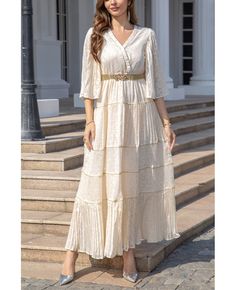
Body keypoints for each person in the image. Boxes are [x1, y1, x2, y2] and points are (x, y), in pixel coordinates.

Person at [59, 0, 180, 286]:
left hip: (140, 120)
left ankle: (128, 253)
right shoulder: (95, 35)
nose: (112, 1)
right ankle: (71, 253)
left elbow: (156, 84)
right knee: (91, 185)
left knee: (131, 186)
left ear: (130, 2)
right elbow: (88, 85)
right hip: (107, 117)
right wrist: (89, 122)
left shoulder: (146, 35)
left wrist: (166, 123)